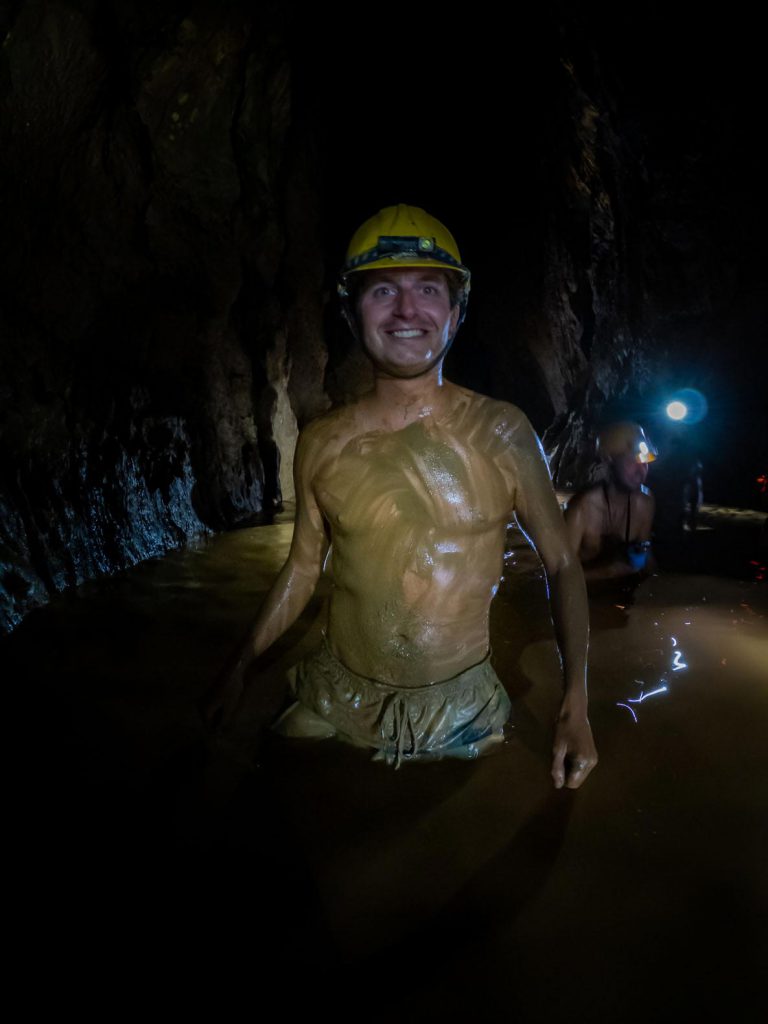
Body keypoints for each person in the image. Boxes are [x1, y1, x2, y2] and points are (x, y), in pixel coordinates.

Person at [207, 204, 597, 788]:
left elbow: (563, 562)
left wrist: (575, 703)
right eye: (382, 290)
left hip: (463, 708)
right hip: (334, 693)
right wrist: (238, 668)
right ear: (350, 311)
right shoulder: (322, 442)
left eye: (428, 290)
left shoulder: (503, 431)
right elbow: (303, 567)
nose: (407, 310)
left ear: (456, 311)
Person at [564, 422, 657, 582]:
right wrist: (608, 572)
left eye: (645, 462)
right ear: (609, 459)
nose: (640, 470)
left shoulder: (645, 503)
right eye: (632, 461)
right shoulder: (582, 508)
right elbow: (560, 573)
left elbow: (643, 557)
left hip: (624, 593)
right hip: (585, 596)